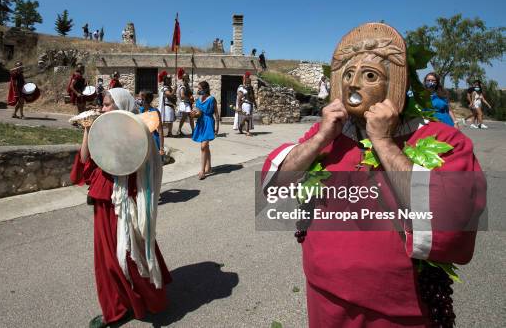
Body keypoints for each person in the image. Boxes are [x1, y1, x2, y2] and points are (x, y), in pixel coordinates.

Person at [262, 23, 485, 328]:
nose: (354, 85)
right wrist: (319, 139)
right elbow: (273, 185)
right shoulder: (330, 133)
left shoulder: (444, 140)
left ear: (396, 83)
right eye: (348, 75)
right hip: (325, 301)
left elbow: (450, 221)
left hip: (397, 314)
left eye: (369, 75)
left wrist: (383, 142)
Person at [70, 88, 171, 328]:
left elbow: (136, 171)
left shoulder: (136, 135)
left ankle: (136, 303)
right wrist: (88, 129)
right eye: (102, 105)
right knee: (107, 260)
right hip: (102, 201)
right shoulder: (102, 130)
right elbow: (85, 161)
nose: (102, 109)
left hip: (123, 204)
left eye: (107, 105)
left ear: (121, 107)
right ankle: (118, 306)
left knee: (125, 255)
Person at [191, 81, 219, 180]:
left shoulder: (212, 99)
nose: (198, 90)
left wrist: (217, 127)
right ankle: (209, 167)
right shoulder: (198, 100)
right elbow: (198, 113)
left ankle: (202, 171)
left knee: (203, 146)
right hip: (201, 123)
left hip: (209, 123)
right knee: (205, 146)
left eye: (199, 88)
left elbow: (216, 114)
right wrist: (194, 114)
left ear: (205, 89)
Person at [138, 90, 165, 156]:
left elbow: (160, 130)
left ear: (146, 99)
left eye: (140, 99)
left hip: (152, 140)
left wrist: (161, 148)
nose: (138, 100)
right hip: (142, 139)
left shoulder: (154, 112)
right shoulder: (141, 110)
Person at [237, 72, 257, 136]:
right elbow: (239, 98)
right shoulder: (243, 88)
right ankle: (245, 129)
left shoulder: (251, 88)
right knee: (247, 117)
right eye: (247, 81)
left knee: (248, 118)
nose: (249, 82)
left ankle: (242, 127)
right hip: (245, 104)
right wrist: (239, 106)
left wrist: (255, 104)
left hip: (250, 104)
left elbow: (253, 97)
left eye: (249, 81)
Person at [158, 71, 176, 137]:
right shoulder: (165, 88)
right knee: (166, 121)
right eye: (169, 80)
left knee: (170, 121)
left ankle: (169, 133)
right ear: (166, 81)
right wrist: (174, 90)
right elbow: (170, 95)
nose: (170, 81)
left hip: (170, 106)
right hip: (167, 106)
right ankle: (163, 133)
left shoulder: (168, 88)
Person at [176, 71, 194, 136]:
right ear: (184, 79)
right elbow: (182, 96)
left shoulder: (187, 86)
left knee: (189, 117)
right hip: (185, 103)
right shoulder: (183, 86)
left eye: (188, 78)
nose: (187, 79)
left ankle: (193, 131)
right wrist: (190, 99)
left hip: (188, 103)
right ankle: (179, 130)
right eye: (186, 78)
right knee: (186, 117)